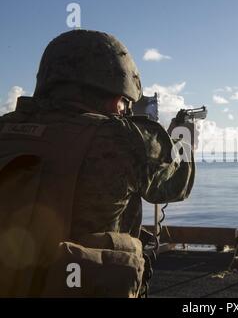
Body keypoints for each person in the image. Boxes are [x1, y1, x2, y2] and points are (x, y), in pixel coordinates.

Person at [0, 30, 195, 298]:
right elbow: (177, 185)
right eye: (125, 103)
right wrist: (183, 138)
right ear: (117, 94)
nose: (124, 110)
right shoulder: (121, 137)